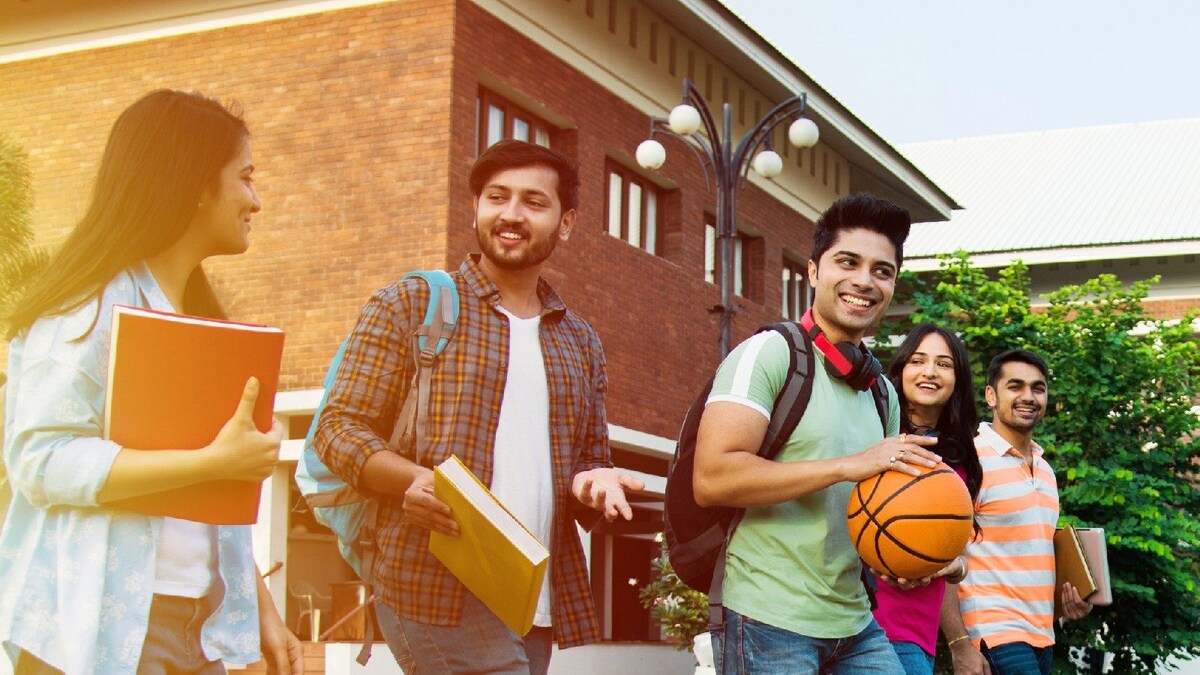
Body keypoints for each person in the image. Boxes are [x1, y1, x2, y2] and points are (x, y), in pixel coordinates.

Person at [0, 90, 302, 674]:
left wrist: (262, 607)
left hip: (199, 628)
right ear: (193, 184)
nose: (256, 200)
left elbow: (211, 498)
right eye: (245, 177)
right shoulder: (84, 307)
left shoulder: (202, 321)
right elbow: (39, 460)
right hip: (98, 634)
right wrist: (211, 464)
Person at [315, 139, 644, 674]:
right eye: (497, 197)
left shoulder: (580, 341)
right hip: (434, 583)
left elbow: (587, 462)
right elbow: (337, 428)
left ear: (566, 222)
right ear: (476, 207)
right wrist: (410, 480)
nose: (511, 215)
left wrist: (594, 484)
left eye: (534, 202)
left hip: (530, 596)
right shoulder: (413, 303)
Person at [693, 192, 942, 674]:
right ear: (812, 271)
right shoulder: (767, 354)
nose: (864, 281)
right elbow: (713, 478)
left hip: (854, 621)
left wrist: (909, 551)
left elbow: (874, 510)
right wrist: (846, 467)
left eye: (882, 271)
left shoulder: (882, 393)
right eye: (847, 262)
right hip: (767, 616)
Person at [942, 349, 1092, 675]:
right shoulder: (970, 460)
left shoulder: (1046, 469)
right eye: (1015, 386)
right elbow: (942, 556)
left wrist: (1068, 601)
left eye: (1038, 388)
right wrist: (959, 644)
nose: (1028, 396)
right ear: (991, 396)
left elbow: (1028, 556)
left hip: (1043, 634)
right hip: (993, 631)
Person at [871, 323, 984, 674]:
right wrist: (883, 558)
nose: (930, 372)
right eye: (918, 360)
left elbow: (953, 554)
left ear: (958, 378)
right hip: (867, 628)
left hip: (919, 636)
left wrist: (951, 566)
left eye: (944, 364)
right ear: (901, 369)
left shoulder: (959, 458)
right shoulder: (876, 437)